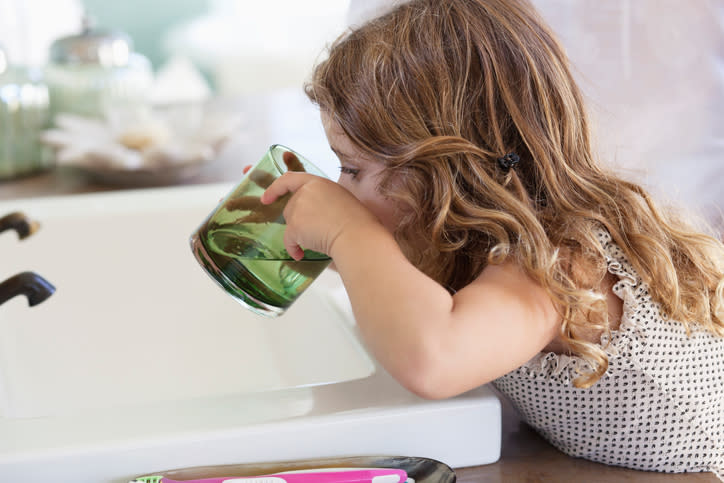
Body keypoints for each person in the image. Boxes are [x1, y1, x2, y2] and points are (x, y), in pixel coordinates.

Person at [259, 0, 724, 477]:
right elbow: (411, 298)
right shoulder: (479, 242)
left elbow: (434, 360)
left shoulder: (560, 264)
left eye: (352, 168)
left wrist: (348, 232)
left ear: (444, 171)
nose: (341, 190)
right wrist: (341, 249)